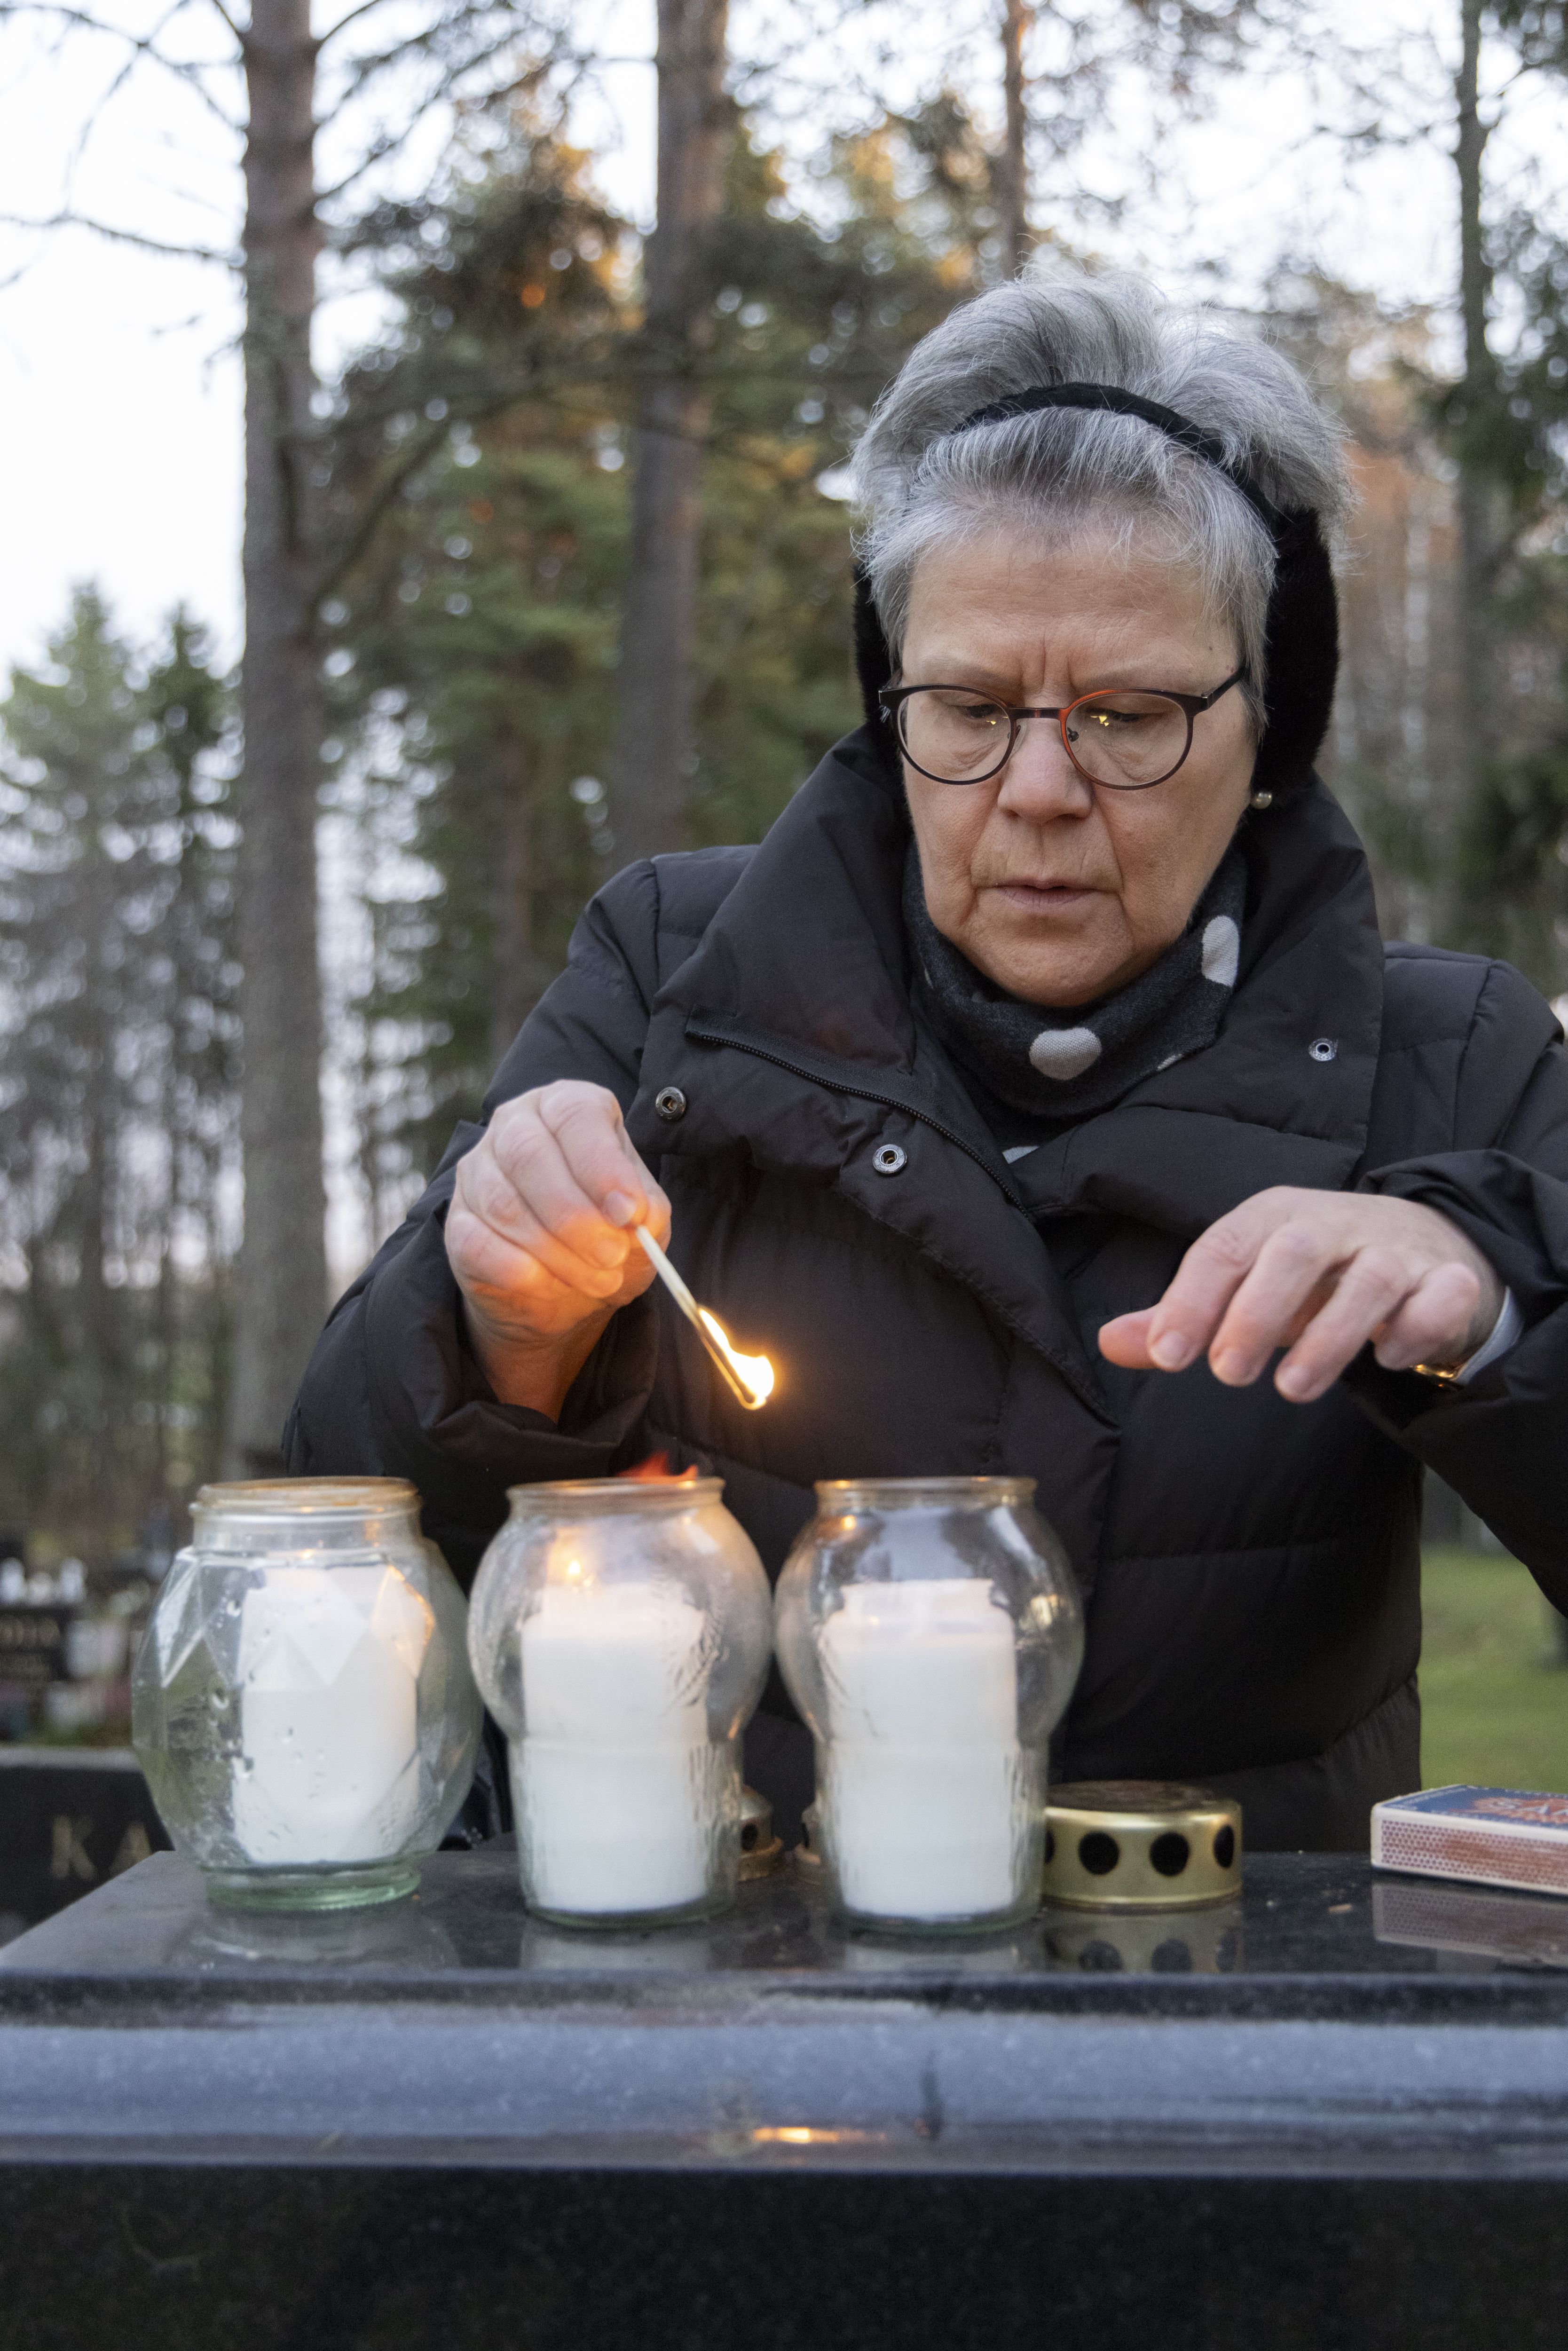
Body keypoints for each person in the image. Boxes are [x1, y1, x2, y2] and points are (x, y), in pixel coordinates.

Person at [288, 266, 1568, 1853]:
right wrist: (501, 1331)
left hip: (1244, 2021)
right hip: (749, 2022)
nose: (1036, 788)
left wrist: (1498, 1310)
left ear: (1266, 728)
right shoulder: (667, 978)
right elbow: (357, 1531)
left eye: (1128, 715)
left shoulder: (1449, 1057)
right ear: (889, 696)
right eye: (967, 706)